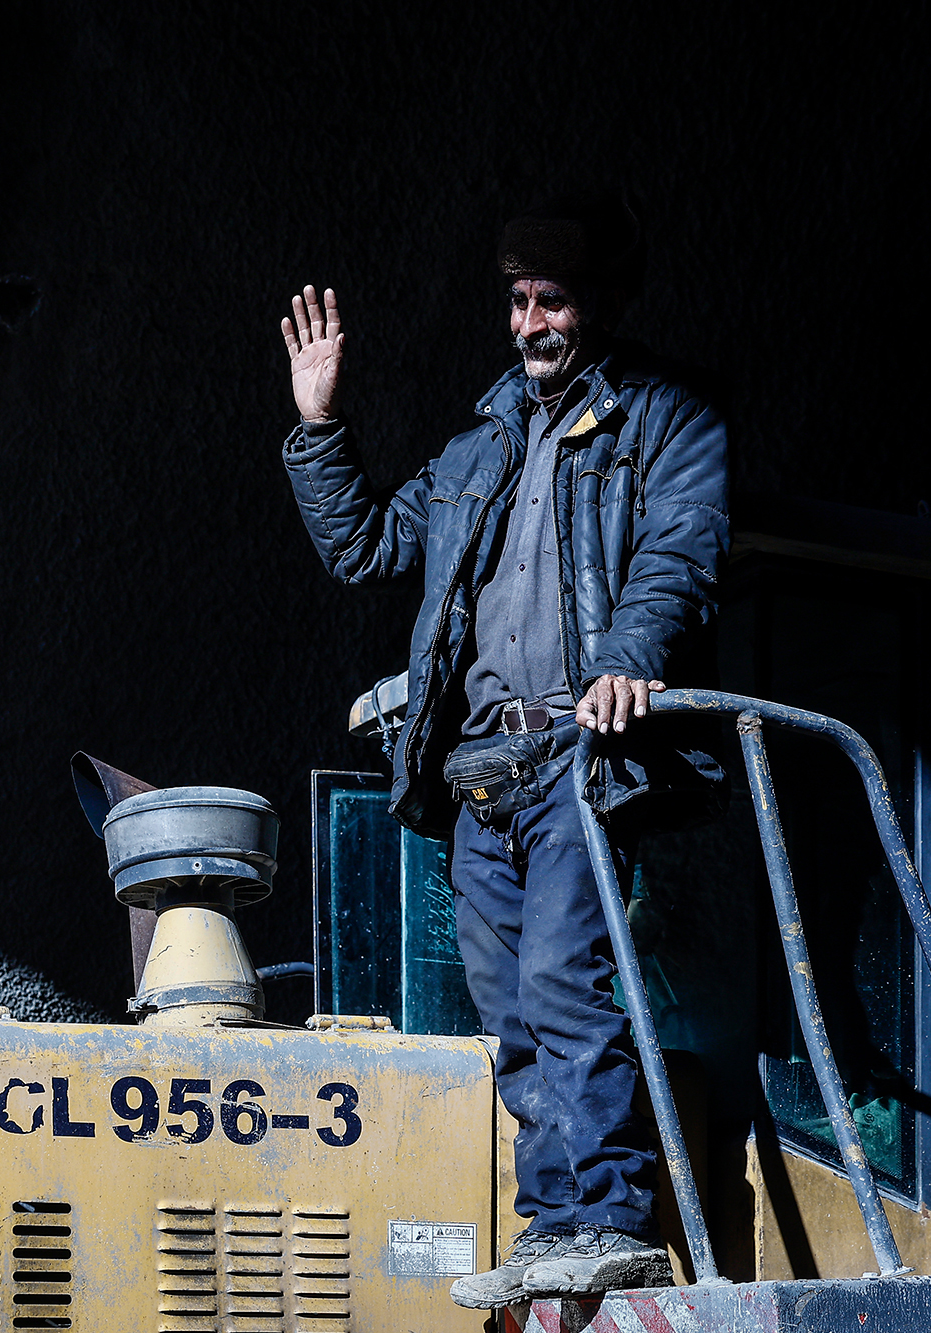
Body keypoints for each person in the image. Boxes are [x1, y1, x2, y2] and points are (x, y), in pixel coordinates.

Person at [279, 193, 728, 1307]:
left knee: (565, 984)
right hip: (479, 775)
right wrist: (319, 426)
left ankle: (612, 1218)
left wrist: (628, 657)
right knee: (511, 1016)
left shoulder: (665, 419)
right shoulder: (480, 444)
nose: (530, 321)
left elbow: (678, 553)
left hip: (576, 756)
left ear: (600, 303)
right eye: (518, 298)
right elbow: (366, 547)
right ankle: (554, 1225)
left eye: (552, 300)